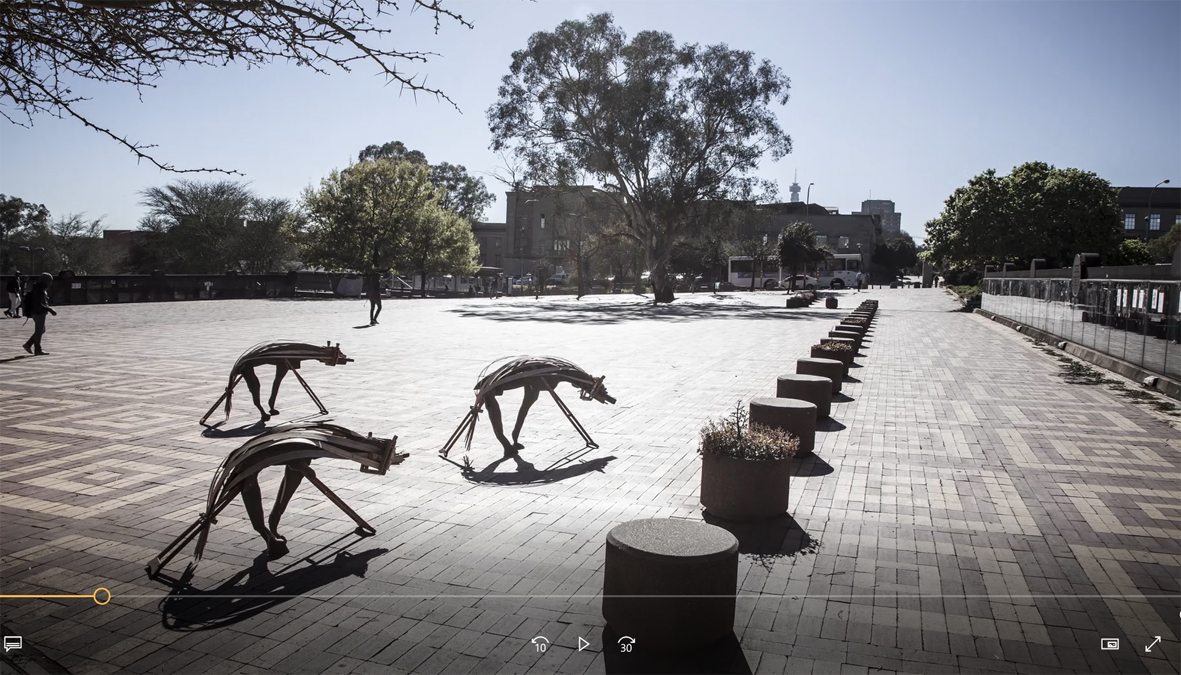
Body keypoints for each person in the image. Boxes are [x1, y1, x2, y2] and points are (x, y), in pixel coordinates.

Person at [22, 273, 57, 355]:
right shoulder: (39, 290)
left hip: (38, 312)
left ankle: (28, 344)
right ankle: (37, 349)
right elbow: (38, 303)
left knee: (41, 330)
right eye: (49, 281)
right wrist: (49, 309)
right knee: (39, 331)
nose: (50, 283)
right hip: (38, 313)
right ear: (45, 281)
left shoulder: (39, 288)